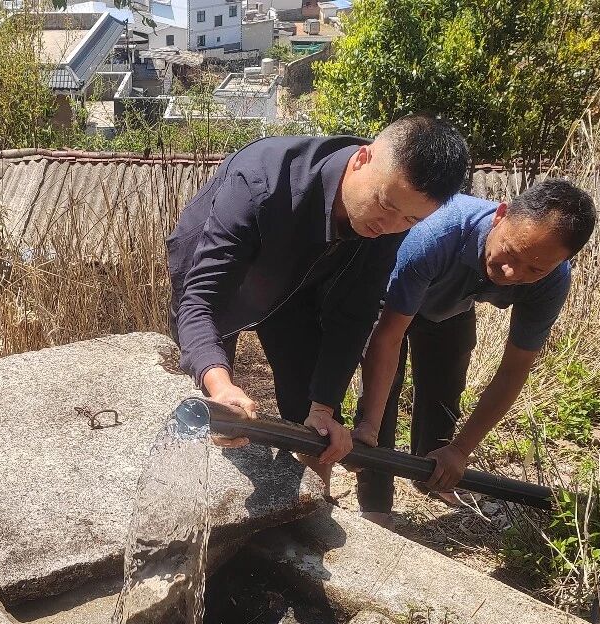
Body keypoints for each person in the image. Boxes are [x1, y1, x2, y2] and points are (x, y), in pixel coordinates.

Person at [168, 116, 469, 477]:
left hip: (297, 286)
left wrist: (323, 408)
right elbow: (200, 302)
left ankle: (311, 502)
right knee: (213, 408)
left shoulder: (391, 218)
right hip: (217, 269)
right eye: (385, 204)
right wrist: (221, 387)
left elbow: (355, 315)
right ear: (362, 159)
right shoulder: (261, 182)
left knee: (318, 426)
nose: (389, 225)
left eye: (410, 220)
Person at [349, 179, 597, 522]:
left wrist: (461, 450)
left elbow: (514, 369)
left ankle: (433, 474)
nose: (512, 272)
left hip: (452, 306)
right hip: (394, 299)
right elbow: (388, 337)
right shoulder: (438, 234)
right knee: (381, 398)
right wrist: (368, 427)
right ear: (501, 215)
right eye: (511, 252)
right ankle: (376, 502)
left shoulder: (553, 281)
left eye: (535, 269)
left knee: (445, 389)